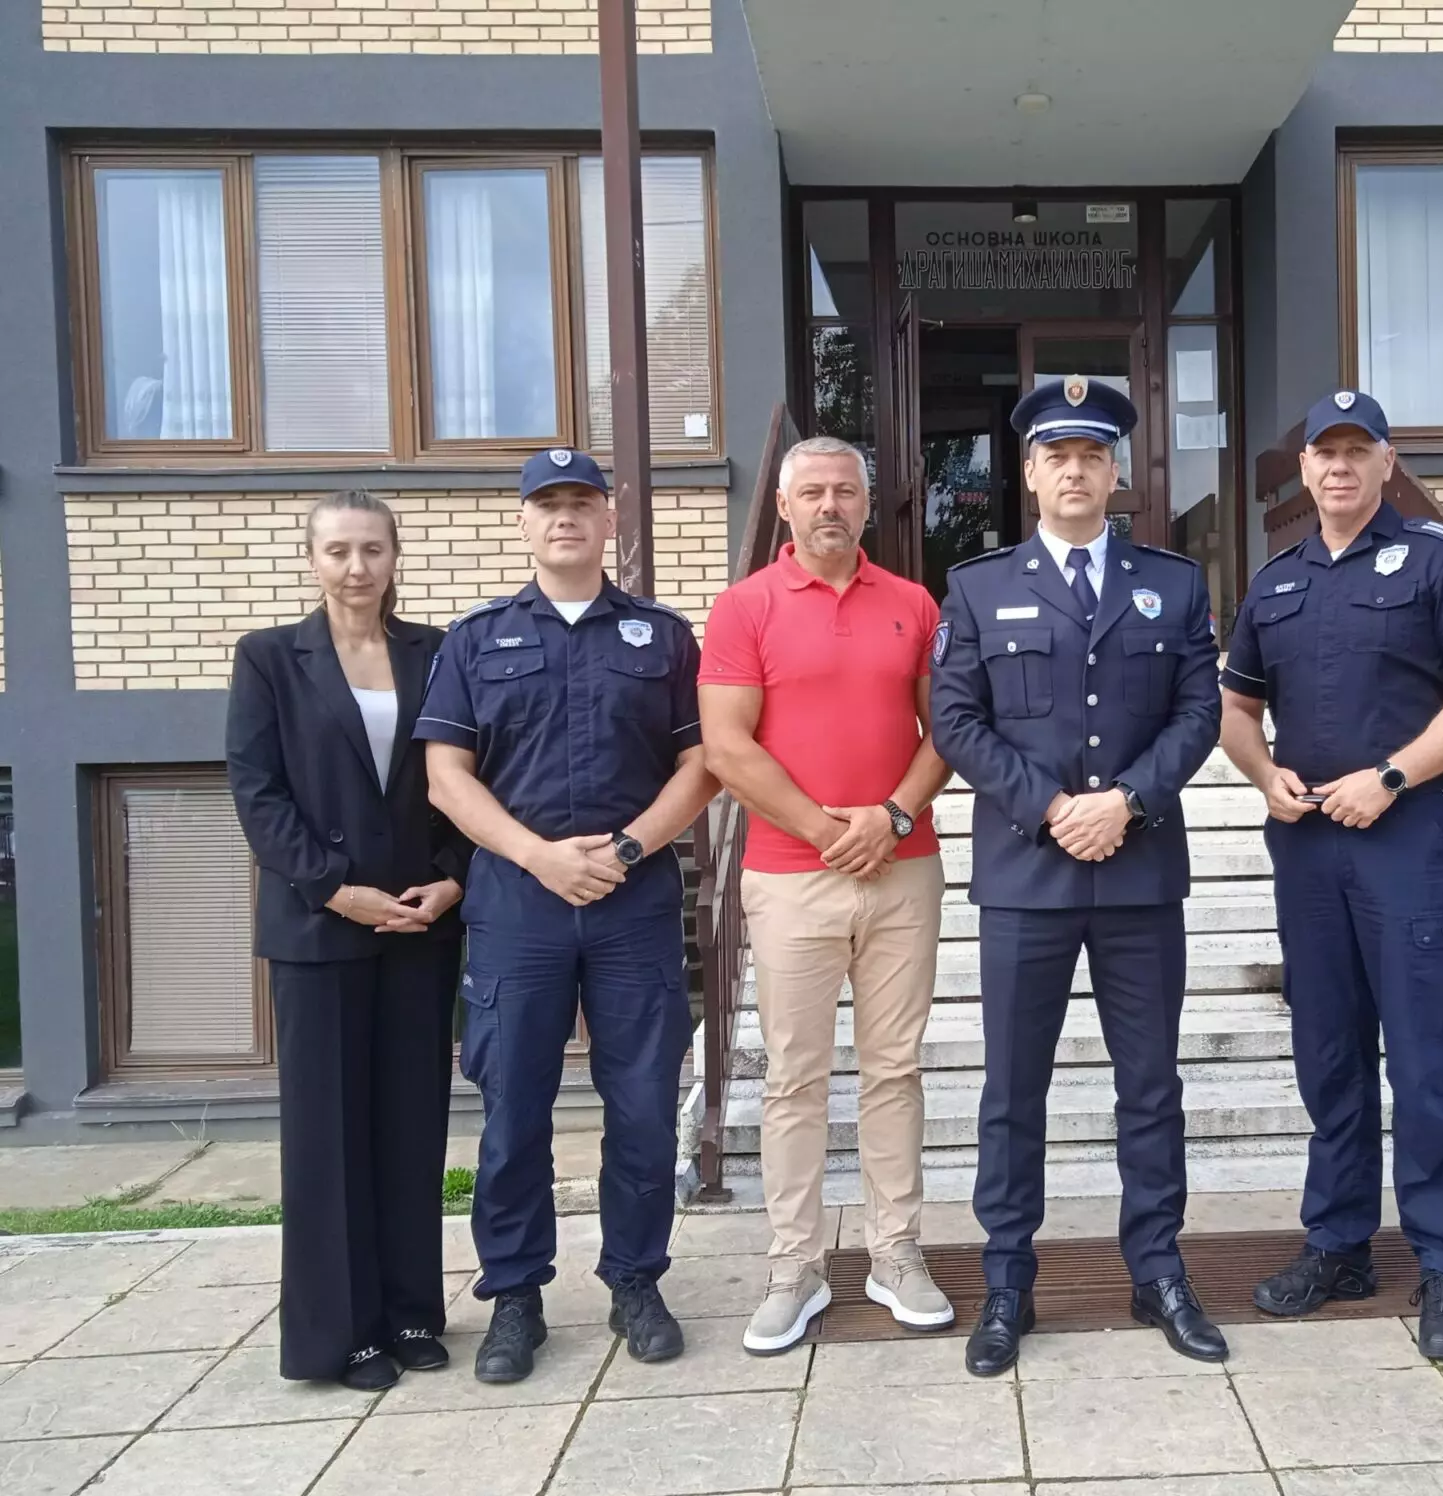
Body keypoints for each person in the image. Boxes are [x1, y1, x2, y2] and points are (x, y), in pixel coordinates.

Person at [1220, 390, 1443, 1362]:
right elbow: (1234, 708)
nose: (1341, 467)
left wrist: (1392, 775)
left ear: (1386, 463)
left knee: (1426, 1063)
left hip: (1409, 845)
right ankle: (1338, 1245)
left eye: (1359, 451)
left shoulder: (1440, 562)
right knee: (1329, 1057)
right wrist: (1263, 774)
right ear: (1305, 469)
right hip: (1309, 849)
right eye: (1326, 452)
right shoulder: (1275, 581)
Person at [931, 375, 1224, 1376]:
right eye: (1056, 455)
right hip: (1027, 875)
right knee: (1013, 1090)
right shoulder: (979, 587)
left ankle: (1159, 1271)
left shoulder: (1173, 584)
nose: (1074, 471)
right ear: (1027, 473)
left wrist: (1127, 802)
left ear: (1115, 473)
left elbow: (1198, 712)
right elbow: (954, 719)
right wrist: (1053, 807)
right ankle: (1007, 1281)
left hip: (1140, 874)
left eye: (1091, 455)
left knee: (1150, 1086)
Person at [416, 448, 718, 1384]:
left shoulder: (662, 637)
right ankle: (515, 1296)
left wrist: (626, 850)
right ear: (523, 522)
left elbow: (703, 764)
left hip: (634, 904)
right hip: (518, 905)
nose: (565, 519)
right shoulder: (477, 639)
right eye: (547, 505)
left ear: (608, 518)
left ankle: (636, 1280)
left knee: (643, 1107)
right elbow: (445, 777)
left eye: (582, 502)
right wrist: (539, 857)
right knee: (514, 1110)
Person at [698, 437, 955, 1355]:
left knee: (894, 1070)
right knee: (795, 1078)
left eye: (845, 490)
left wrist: (891, 816)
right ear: (783, 505)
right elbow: (727, 746)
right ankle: (794, 1267)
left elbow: (947, 727)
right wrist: (826, 830)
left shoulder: (914, 604)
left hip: (903, 868)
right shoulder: (744, 607)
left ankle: (895, 1251)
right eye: (812, 492)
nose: (830, 505)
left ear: (867, 503)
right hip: (789, 875)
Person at [226, 490, 469, 1391]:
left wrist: (453, 876)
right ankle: (345, 1335)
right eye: (338, 551)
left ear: (395, 557)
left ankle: (410, 1313)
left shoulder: (436, 653)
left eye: (372, 549)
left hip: (416, 918)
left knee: (410, 1125)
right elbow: (257, 791)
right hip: (319, 925)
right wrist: (335, 889)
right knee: (328, 1137)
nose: (356, 567)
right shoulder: (268, 658)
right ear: (313, 560)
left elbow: (468, 773)